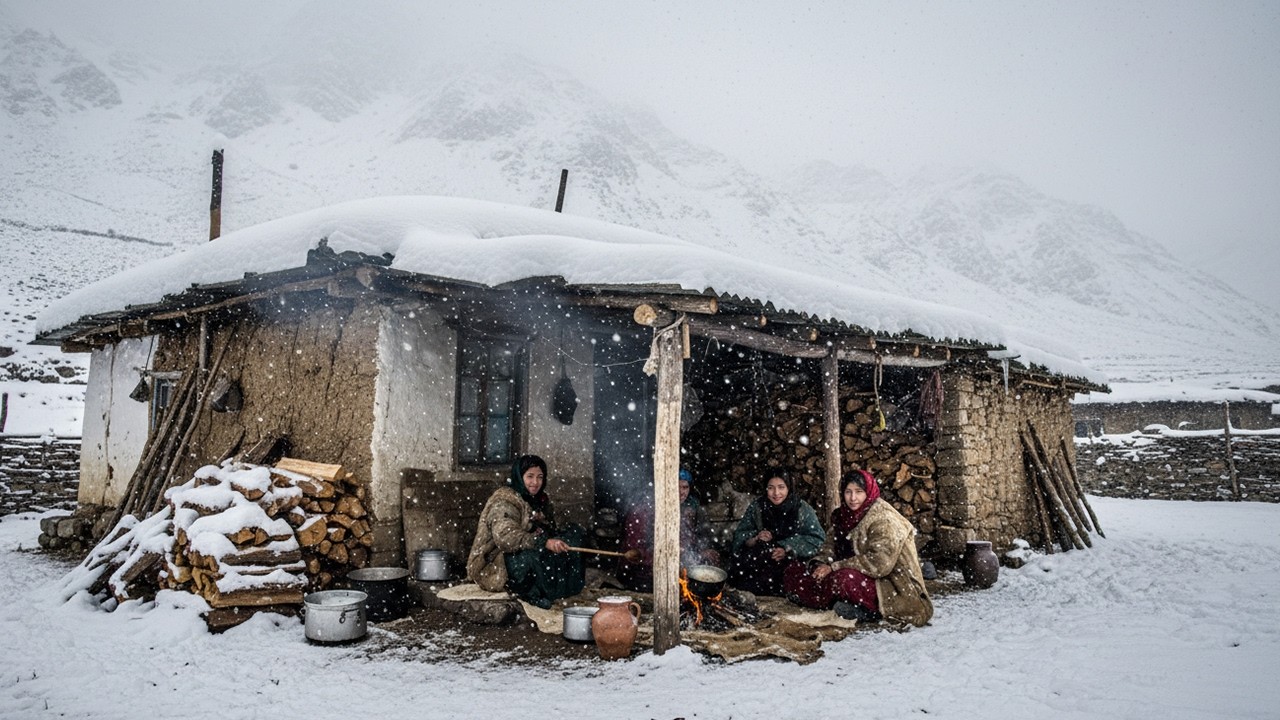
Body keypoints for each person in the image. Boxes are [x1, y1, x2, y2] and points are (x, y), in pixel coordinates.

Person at [782, 469, 933, 626]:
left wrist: (834, 567)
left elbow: (880, 564)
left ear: (868, 492)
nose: (853, 498)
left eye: (859, 492)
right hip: (854, 574)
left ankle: (867, 610)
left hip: (890, 587)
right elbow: (829, 546)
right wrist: (820, 564)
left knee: (843, 579)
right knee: (795, 569)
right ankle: (825, 597)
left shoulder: (884, 520)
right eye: (848, 492)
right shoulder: (843, 516)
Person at [466, 454, 587, 609]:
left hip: (525, 546)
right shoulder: (505, 501)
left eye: (540, 477)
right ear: (519, 476)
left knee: (573, 535)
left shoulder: (539, 500)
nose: (535, 482)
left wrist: (547, 530)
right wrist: (543, 541)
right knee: (532, 555)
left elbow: (549, 528)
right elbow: (506, 538)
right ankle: (530, 593)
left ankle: (558, 590)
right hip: (495, 561)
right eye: (530, 476)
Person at [617, 468, 722, 592]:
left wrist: (700, 552)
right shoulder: (645, 511)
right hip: (645, 569)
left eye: (685, 487)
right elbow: (636, 552)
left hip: (677, 562)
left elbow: (696, 539)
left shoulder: (690, 508)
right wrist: (670, 552)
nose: (681, 492)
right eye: (676, 487)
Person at [728, 472, 825, 596]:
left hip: (791, 561)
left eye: (781, 487)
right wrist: (756, 537)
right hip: (761, 559)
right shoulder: (757, 507)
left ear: (789, 488)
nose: (776, 493)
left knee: (794, 578)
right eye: (771, 488)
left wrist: (787, 548)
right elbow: (740, 536)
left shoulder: (801, 508)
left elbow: (816, 538)